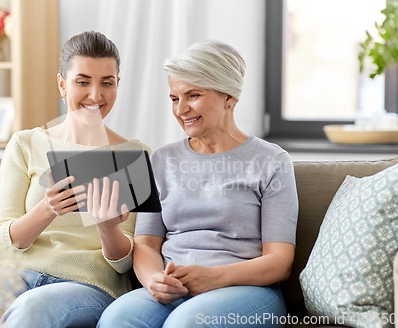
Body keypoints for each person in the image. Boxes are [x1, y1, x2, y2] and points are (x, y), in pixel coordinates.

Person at [0, 31, 151, 328]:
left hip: (89, 286)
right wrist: (46, 210)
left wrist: (107, 228)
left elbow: (126, 262)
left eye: (107, 83)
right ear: (62, 85)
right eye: (83, 82)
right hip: (16, 274)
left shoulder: (136, 155)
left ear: (118, 85)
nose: (95, 95)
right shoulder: (25, 143)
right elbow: (2, 243)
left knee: (31, 310)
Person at [97, 40, 298, 328]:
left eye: (193, 95)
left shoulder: (271, 161)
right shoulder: (162, 160)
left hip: (246, 290)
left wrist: (215, 277)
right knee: (117, 318)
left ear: (229, 96)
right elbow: (146, 244)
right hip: (174, 287)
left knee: (186, 323)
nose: (181, 110)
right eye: (174, 99)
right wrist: (155, 280)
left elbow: (280, 261)